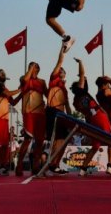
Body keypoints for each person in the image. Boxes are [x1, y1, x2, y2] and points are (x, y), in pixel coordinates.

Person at [71, 57, 111, 176]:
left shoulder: (75, 102)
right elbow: (82, 74)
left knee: (95, 146)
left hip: (90, 121)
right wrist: (80, 62)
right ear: (79, 86)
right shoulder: (82, 91)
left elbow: (83, 79)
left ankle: (83, 169)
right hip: (99, 117)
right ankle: (110, 166)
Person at [44, 42, 73, 175]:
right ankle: (49, 162)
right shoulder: (53, 79)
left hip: (62, 114)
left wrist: (71, 118)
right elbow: (60, 60)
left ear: (65, 75)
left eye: (62, 70)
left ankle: (55, 164)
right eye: (59, 69)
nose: (60, 70)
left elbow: (67, 104)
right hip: (52, 111)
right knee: (55, 139)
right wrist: (63, 47)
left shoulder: (64, 89)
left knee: (64, 140)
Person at [15, 61, 47, 176]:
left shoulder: (42, 82)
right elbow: (24, 80)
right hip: (28, 112)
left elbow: (48, 95)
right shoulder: (24, 79)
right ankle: (19, 164)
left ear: (38, 69)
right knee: (27, 139)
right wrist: (30, 68)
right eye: (31, 66)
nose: (33, 68)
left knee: (39, 141)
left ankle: (36, 166)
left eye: (35, 66)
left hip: (40, 113)